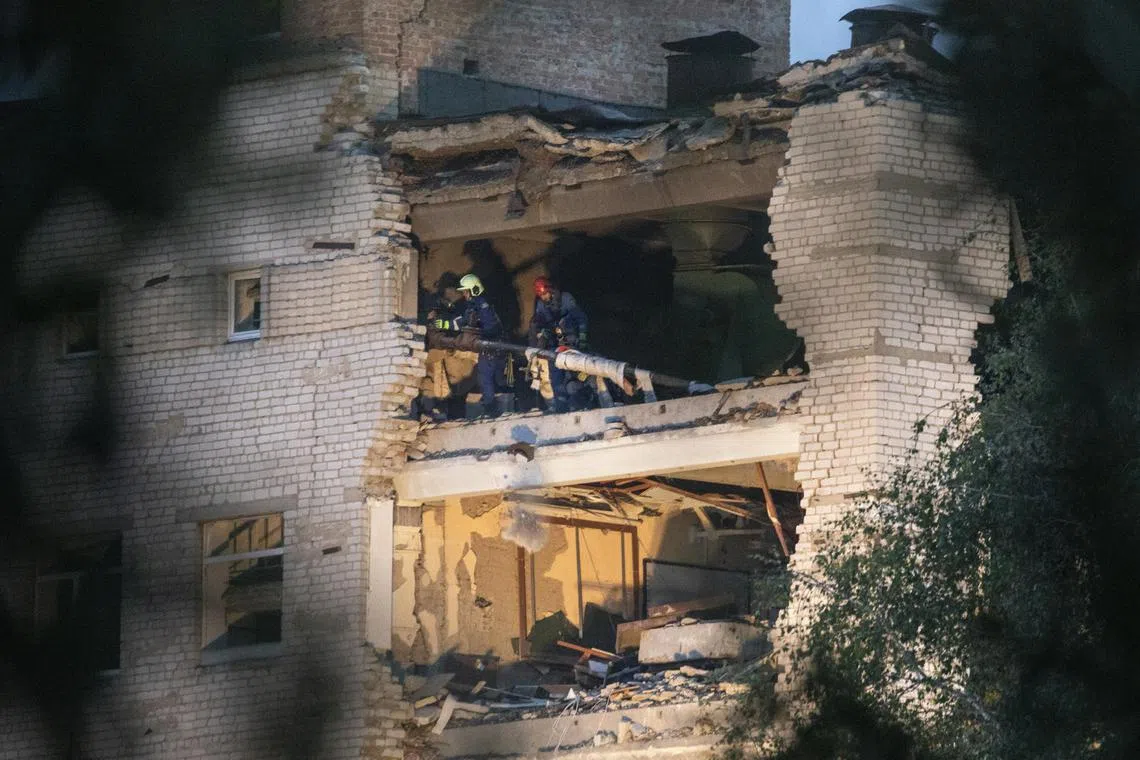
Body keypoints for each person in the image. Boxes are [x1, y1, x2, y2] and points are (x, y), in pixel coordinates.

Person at [420, 272, 478, 421]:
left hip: (460, 359)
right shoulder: (447, 310)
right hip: (443, 358)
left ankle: (452, 416)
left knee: (457, 392)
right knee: (439, 388)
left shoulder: (467, 309)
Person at [528, 277, 589, 412]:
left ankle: (578, 404)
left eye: (545, 294)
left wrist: (583, 338)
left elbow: (580, 318)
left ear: (550, 290)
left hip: (572, 343)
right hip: (555, 346)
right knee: (555, 377)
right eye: (541, 295)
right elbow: (538, 322)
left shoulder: (565, 299)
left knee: (573, 378)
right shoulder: (541, 305)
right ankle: (561, 407)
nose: (544, 297)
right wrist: (539, 341)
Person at [452, 273, 505, 418]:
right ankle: (491, 405)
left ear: (474, 290)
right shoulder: (473, 305)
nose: (464, 294)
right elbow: (463, 322)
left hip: (491, 344)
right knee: (488, 375)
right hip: (487, 345)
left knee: (486, 375)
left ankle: (491, 408)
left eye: (465, 291)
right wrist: (445, 323)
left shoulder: (482, 304)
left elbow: (488, 326)